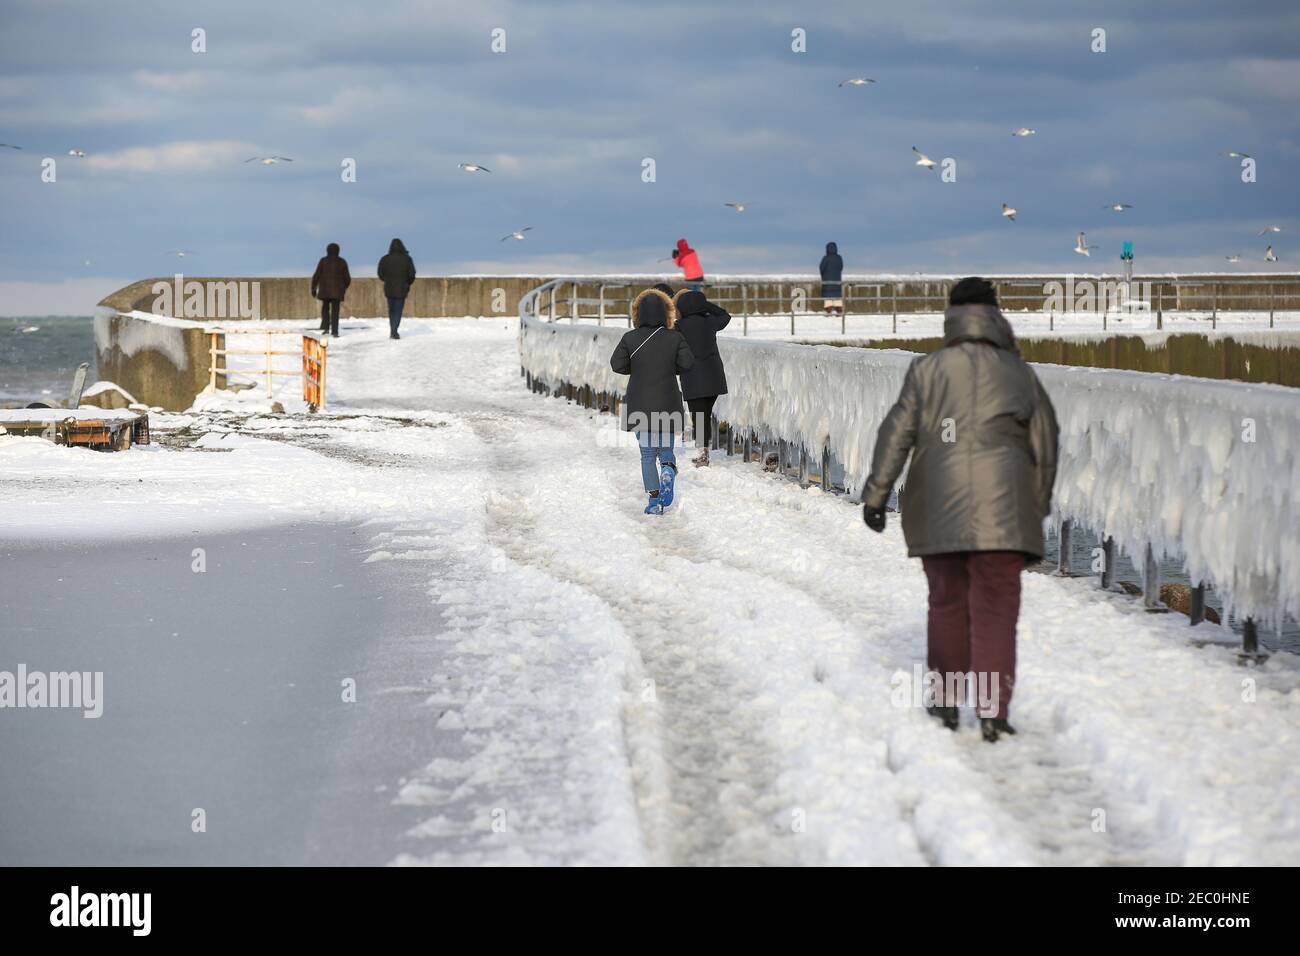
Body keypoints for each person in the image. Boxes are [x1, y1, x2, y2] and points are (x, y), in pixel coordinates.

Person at [861, 277, 1059, 743]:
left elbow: (897, 434)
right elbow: (1046, 446)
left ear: (952, 315)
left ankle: (947, 704)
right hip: (1004, 515)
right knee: (995, 610)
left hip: (937, 507)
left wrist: (876, 495)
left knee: (947, 604)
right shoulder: (1020, 374)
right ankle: (992, 712)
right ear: (996, 316)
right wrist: (1035, 507)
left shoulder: (927, 369)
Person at [610, 288, 694, 514]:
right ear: (667, 313)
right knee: (665, 449)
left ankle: (654, 501)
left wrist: (637, 368)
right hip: (668, 399)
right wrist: (669, 366)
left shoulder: (629, 338)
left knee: (647, 454)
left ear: (637, 314)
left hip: (639, 402)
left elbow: (616, 364)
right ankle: (667, 469)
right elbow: (687, 363)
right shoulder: (675, 337)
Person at [673, 288, 731, 466]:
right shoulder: (710, 321)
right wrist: (704, 305)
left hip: (693, 377)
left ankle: (703, 454)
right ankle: (704, 451)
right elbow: (725, 316)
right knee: (704, 415)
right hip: (714, 376)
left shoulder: (679, 326)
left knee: (699, 416)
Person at [377, 238, 416, 339]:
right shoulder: (407, 259)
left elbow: (380, 273)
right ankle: (394, 331)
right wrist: (407, 283)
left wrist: (386, 280)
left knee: (391, 310)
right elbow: (412, 274)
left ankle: (393, 330)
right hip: (402, 288)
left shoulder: (385, 259)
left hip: (389, 288)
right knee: (398, 310)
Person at [310, 242, 351, 338]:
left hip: (325, 291)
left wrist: (313, 288)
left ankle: (325, 328)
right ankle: (335, 331)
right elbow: (347, 278)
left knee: (325, 309)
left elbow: (316, 275)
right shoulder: (342, 262)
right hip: (337, 291)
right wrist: (343, 288)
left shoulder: (323, 261)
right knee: (335, 311)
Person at [820, 241, 844, 316]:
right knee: (837, 299)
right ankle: (839, 312)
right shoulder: (839, 258)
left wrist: (824, 276)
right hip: (837, 283)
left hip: (827, 283)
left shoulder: (825, 258)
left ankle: (828, 312)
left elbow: (821, 268)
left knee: (828, 299)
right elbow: (841, 267)